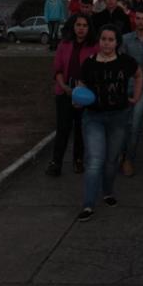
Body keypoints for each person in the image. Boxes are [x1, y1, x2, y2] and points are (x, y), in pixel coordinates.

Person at [75, 25, 142, 222]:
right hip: (93, 117)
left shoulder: (125, 61)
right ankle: (88, 204)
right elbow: (81, 85)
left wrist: (136, 96)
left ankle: (108, 192)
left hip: (118, 117)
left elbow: (139, 75)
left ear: (117, 42)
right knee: (95, 160)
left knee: (111, 161)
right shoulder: (88, 63)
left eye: (111, 39)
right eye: (103, 39)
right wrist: (79, 97)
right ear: (99, 41)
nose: (106, 43)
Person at [47, 13, 97, 176]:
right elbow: (58, 68)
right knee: (63, 129)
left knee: (81, 129)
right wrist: (64, 87)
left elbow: (95, 72)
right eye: (78, 25)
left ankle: (78, 160)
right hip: (64, 92)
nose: (81, 28)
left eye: (84, 25)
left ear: (89, 28)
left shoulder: (94, 47)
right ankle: (56, 163)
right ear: (73, 27)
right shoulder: (64, 44)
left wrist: (82, 89)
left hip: (85, 94)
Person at [119, 6, 143, 177]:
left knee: (135, 126)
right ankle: (120, 154)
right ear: (134, 19)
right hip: (124, 87)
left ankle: (129, 159)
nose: (141, 21)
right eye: (138, 18)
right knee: (121, 124)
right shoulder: (125, 40)